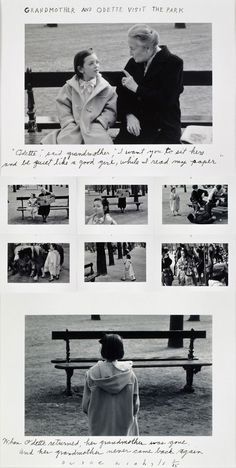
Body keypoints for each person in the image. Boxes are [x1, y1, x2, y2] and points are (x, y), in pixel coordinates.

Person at [114, 24, 183, 144]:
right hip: (135, 126)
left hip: (163, 127)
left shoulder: (173, 63)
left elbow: (167, 100)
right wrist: (129, 115)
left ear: (148, 48)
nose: (130, 53)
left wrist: (136, 88)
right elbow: (121, 95)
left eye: (133, 48)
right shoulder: (133, 62)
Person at [41, 49, 117, 144]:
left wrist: (102, 122)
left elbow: (111, 109)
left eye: (97, 62)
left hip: (94, 126)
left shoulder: (105, 87)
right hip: (74, 126)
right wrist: (69, 122)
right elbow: (62, 105)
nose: (96, 65)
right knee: (66, 144)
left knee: (101, 146)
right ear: (81, 69)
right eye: (91, 63)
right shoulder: (70, 87)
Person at [82, 334, 139, 436]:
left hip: (99, 426)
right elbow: (135, 404)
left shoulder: (92, 373)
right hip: (123, 426)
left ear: (103, 350)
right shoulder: (130, 375)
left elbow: (85, 405)